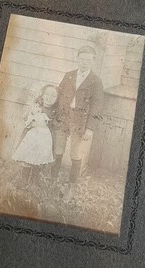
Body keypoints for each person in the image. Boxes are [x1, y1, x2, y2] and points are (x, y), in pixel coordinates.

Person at [51, 45, 103, 182]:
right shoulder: (69, 75)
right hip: (63, 117)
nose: (84, 62)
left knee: (75, 153)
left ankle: (71, 186)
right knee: (58, 148)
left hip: (80, 121)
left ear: (93, 61)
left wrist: (90, 128)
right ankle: (52, 179)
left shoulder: (96, 81)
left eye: (88, 59)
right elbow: (59, 94)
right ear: (77, 59)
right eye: (81, 59)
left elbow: (96, 106)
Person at [12, 85, 59, 184]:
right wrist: (30, 122)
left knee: (38, 159)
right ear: (42, 94)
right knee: (27, 157)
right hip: (31, 138)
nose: (49, 98)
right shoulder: (36, 106)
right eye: (47, 94)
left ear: (57, 98)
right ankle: (24, 180)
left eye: (53, 96)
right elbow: (27, 118)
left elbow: (55, 124)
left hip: (44, 140)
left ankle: (34, 181)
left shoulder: (55, 111)